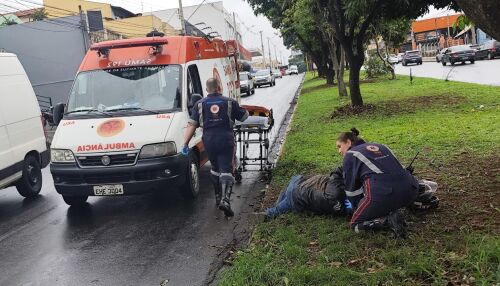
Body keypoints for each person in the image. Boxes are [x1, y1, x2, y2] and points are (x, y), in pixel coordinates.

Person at [183, 78, 249, 217]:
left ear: (207, 90)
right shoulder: (230, 102)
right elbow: (244, 117)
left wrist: (185, 144)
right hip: (226, 140)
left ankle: (218, 197)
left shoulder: (199, 104)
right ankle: (225, 200)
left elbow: (192, 125)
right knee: (227, 169)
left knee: (215, 169)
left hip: (209, 141)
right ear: (220, 87)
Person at [336, 128, 418, 238]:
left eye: (339, 146)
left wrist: (356, 208)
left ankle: (387, 221)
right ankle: (409, 205)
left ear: (348, 142)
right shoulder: (381, 146)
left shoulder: (351, 155)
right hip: (412, 189)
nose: (339, 151)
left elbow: (352, 191)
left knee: (355, 225)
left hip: (385, 193)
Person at [265, 166, 350, 218]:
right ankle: (274, 208)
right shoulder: (342, 199)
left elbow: (338, 172)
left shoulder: (336, 191)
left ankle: (273, 209)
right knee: (287, 198)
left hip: (298, 193)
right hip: (299, 192)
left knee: (290, 192)